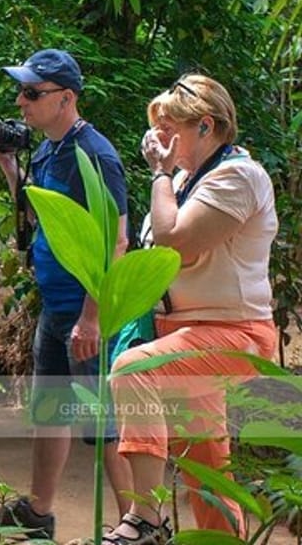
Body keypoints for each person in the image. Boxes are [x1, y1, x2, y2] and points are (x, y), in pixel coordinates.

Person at [103, 75, 277, 542]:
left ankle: (147, 517)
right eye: (155, 126)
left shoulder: (238, 175)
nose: (157, 138)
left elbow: (175, 241)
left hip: (234, 334)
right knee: (207, 468)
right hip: (182, 332)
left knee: (133, 369)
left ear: (205, 125)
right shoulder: (185, 179)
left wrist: (158, 175)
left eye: (168, 126)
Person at [0, 49, 132, 539]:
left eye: (32, 93)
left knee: (102, 425)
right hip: (56, 307)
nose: (21, 102)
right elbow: (39, 214)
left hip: (85, 310)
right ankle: (38, 512)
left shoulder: (95, 156)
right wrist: (7, 165)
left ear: (66, 98)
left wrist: (92, 316)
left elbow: (117, 240)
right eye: (21, 91)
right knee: (50, 410)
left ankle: (140, 521)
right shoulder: (48, 150)